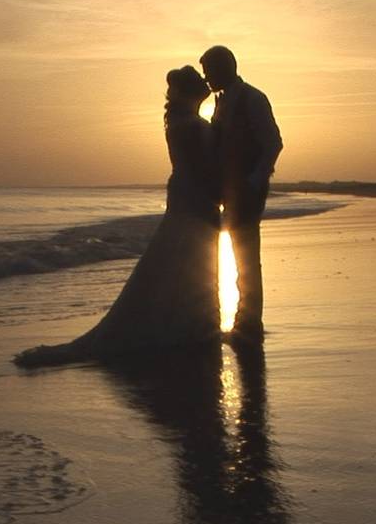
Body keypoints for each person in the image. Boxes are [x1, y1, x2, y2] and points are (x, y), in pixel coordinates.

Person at [14, 66, 221, 367]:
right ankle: (186, 326)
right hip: (192, 197)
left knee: (180, 260)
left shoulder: (182, 121)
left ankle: (188, 324)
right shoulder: (187, 125)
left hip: (187, 195)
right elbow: (203, 166)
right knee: (185, 258)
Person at [200, 46, 283, 344]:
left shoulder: (253, 99)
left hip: (246, 191)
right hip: (229, 192)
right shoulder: (221, 103)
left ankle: (249, 320)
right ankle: (244, 318)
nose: (206, 78)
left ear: (225, 68)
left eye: (209, 71)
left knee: (247, 255)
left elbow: (273, 142)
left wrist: (254, 180)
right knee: (240, 253)